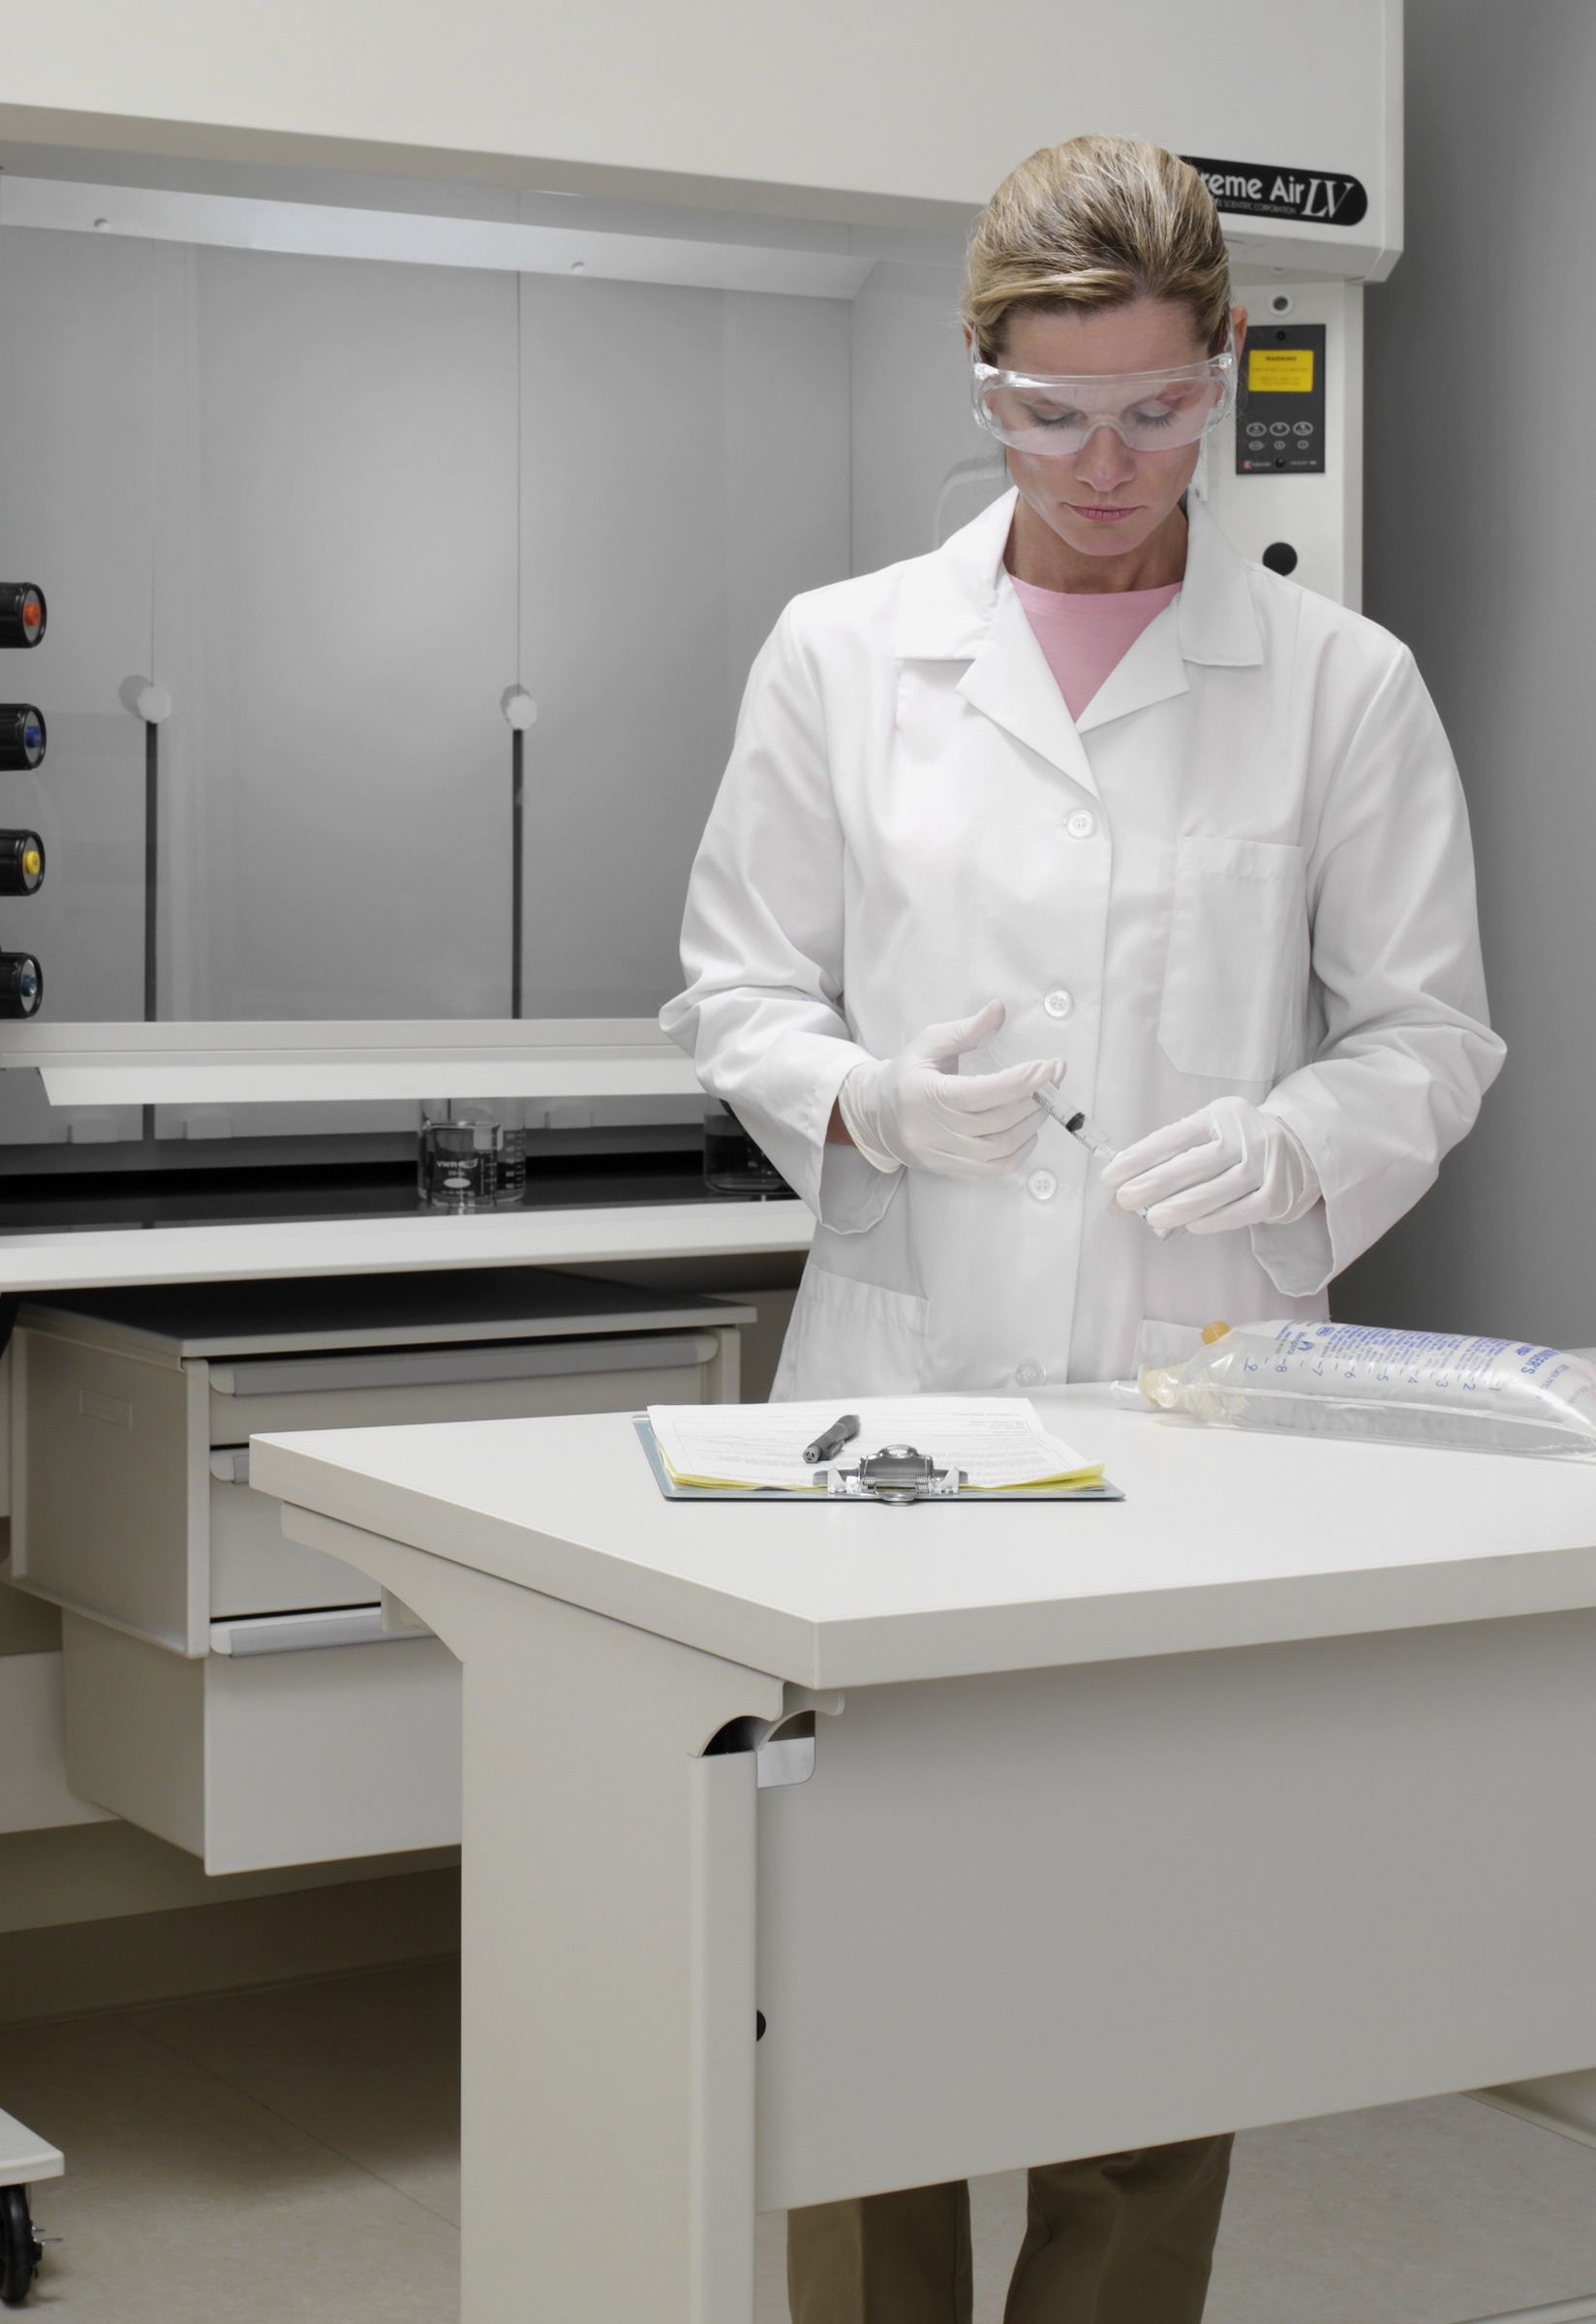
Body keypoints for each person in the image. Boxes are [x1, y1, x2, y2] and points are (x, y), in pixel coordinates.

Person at [660, 135, 1505, 2324]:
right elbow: (736, 986)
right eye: (1052, 414)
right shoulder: (845, 654)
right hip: (902, 1381)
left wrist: (1295, 1144)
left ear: (1221, 371)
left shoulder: (1338, 683)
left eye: (1156, 408)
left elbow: (1431, 1037)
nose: (1107, 466)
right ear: (981, 382)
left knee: (1153, 1950)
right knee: (853, 1958)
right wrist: (866, 1097)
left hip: (1193, 1393)